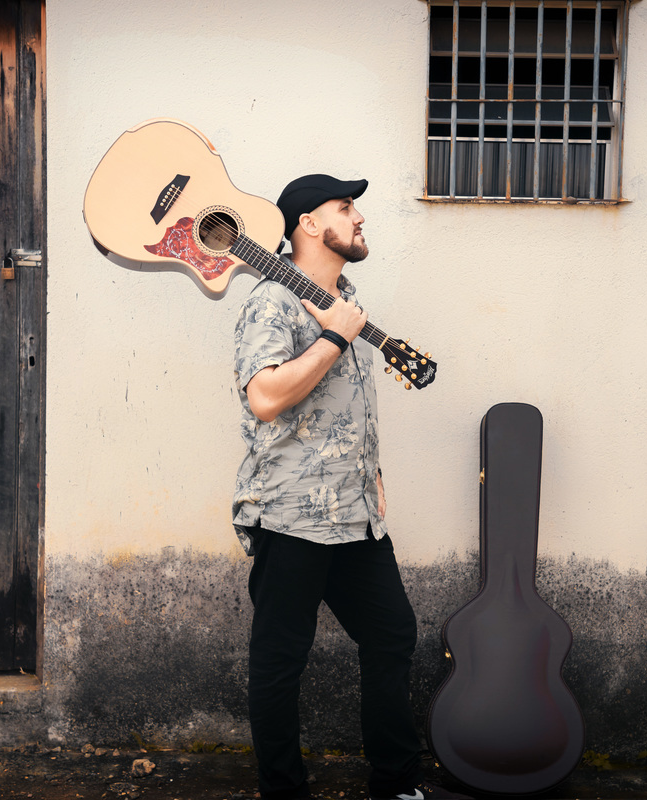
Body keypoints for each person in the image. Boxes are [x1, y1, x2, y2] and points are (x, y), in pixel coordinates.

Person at [231, 174, 467, 800]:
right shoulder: (272, 303)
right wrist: (335, 336)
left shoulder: (350, 299)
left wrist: (375, 478)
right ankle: (283, 790)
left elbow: (348, 405)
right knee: (281, 661)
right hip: (289, 515)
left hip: (355, 516)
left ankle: (396, 784)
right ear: (309, 223)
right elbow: (264, 397)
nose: (359, 217)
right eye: (345, 207)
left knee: (391, 634)